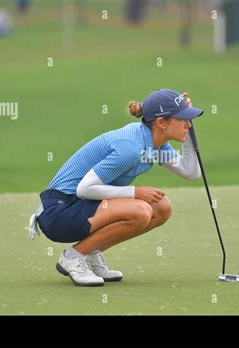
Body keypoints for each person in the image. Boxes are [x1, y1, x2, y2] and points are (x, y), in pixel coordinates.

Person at [28, 89, 204, 287]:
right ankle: (73, 257)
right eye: (183, 120)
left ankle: (90, 253)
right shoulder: (130, 147)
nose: (188, 125)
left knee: (161, 208)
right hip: (59, 213)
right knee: (141, 210)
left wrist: (189, 129)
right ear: (162, 123)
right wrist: (135, 192)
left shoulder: (155, 144)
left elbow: (190, 172)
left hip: (82, 207)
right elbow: (84, 189)